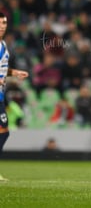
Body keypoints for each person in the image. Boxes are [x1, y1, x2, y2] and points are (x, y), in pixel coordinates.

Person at [0, 12, 30, 182]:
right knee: (3, 131)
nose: (2, 26)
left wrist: (14, 72)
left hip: (1, 96)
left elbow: (3, 70)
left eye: (4, 23)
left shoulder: (3, 45)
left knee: (4, 131)